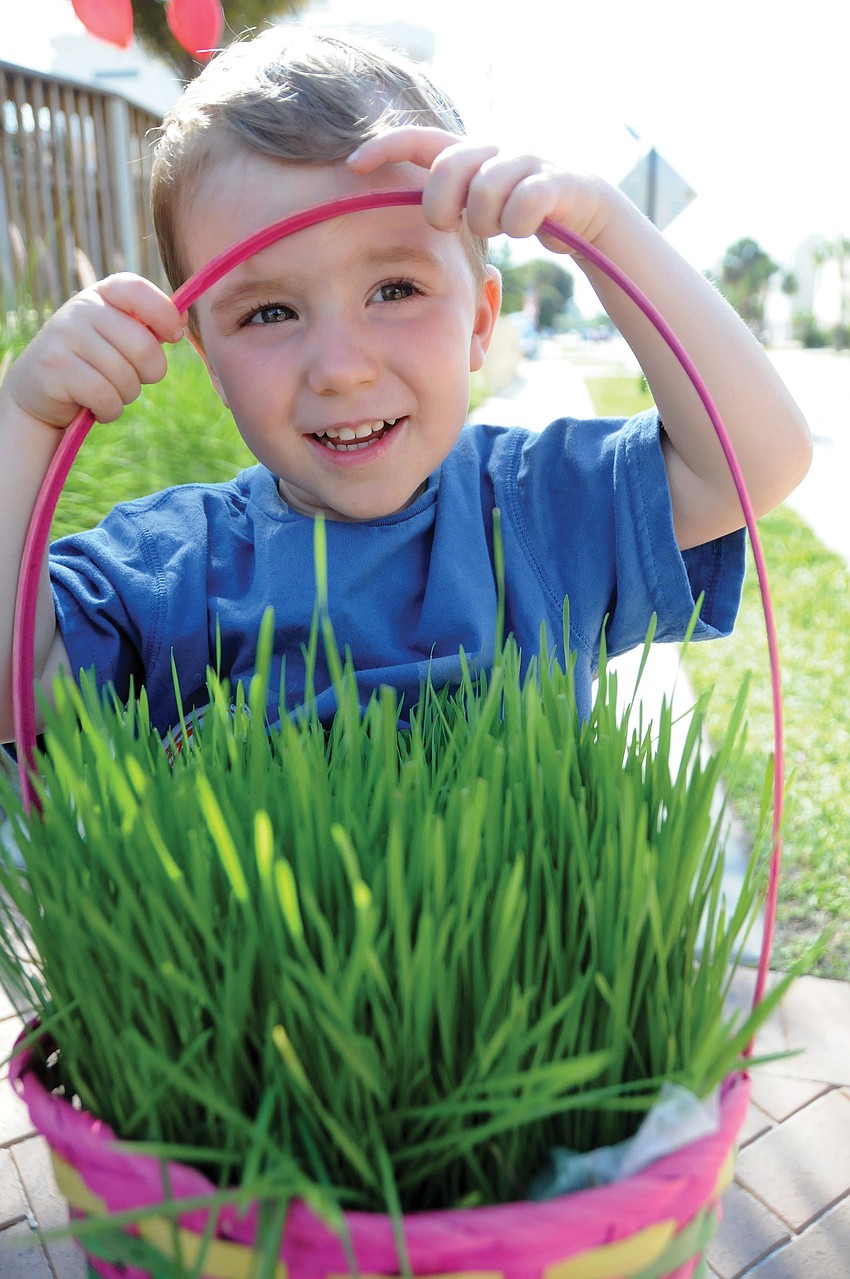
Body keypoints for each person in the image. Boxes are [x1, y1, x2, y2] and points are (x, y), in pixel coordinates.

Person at [0, 26, 811, 743]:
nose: (343, 367)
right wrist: (25, 418)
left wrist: (603, 227)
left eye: (395, 290)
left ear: (480, 322)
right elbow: (13, 694)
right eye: (270, 311)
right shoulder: (173, 569)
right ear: (209, 361)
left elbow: (757, 461)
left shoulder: (536, 513)